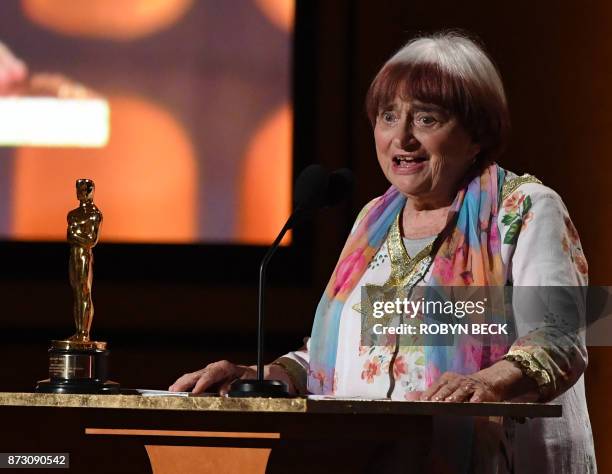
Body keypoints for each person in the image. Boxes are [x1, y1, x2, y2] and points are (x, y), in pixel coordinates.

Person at [170, 32, 596, 473]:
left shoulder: (525, 208)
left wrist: (485, 381)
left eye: (427, 119)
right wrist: (265, 378)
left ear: (477, 134)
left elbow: (561, 336)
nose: (402, 138)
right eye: (388, 116)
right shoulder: (373, 219)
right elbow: (340, 352)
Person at [67, 179, 103, 341]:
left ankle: (84, 333)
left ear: (91, 191)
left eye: (84, 189)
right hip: (75, 254)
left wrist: (75, 235)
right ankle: (79, 331)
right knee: (77, 293)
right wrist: (76, 236)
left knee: (84, 292)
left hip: (84, 254)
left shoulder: (95, 214)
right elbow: (70, 236)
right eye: (79, 189)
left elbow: (91, 240)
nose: (81, 193)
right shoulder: (73, 214)